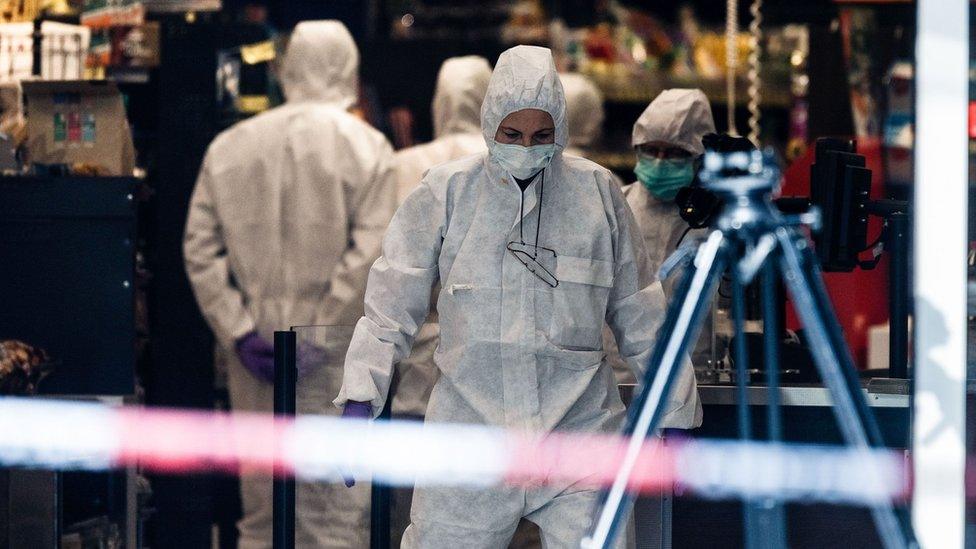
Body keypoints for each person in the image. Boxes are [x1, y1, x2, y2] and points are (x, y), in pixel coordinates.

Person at [335, 45, 701, 548]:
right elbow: (390, 306)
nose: (526, 147)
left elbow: (642, 314)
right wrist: (361, 397)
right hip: (470, 434)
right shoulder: (446, 193)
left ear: (561, 132)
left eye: (541, 136)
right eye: (512, 135)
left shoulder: (597, 195)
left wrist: (675, 413)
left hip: (578, 433)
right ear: (490, 126)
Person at [183, 20, 396, 549]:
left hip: (254, 356)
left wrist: (238, 331)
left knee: (262, 513)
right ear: (348, 68)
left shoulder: (229, 146)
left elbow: (199, 248)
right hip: (336, 358)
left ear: (286, 69)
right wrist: (319, 333)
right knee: (337, 517)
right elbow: (373, 254)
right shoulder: (368, 147)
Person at [389, 55, 491, 419]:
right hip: (493, 359)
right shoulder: (512, 165)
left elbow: (386, 271)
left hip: (416, 356)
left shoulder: (404, 164)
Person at [625, 88, 720, 369]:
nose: (659, 161)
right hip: (620, 379)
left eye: (675, 153)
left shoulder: (716, 223)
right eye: (651, 150)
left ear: (700, 156)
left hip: (696, 378)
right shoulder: (617, 208)